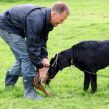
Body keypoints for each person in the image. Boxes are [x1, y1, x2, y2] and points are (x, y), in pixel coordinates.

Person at [0, 2, 69, 99]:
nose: (62, 22)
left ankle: (9, 85)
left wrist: (44, 57)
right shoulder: (37, 19)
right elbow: (32, 45)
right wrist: (40, 67)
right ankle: (29, 94)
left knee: (22, 58)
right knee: (27, 57)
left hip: (15, 28)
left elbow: (42, 39)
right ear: (54, 14)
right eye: (61, 19)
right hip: (6, 27)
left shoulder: (48, 21)